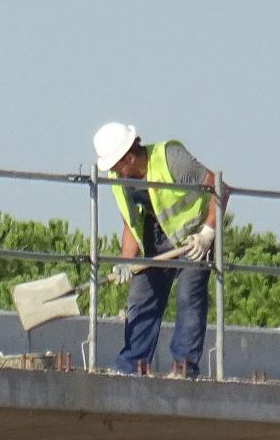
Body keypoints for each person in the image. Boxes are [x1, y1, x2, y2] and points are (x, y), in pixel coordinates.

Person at [93, 122, 223, 378]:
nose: (114, 172)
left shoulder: (171, 158)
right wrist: (125, 262)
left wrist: (208, 233)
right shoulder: (119, 180)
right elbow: (130, 225)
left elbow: (219, 188)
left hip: (194, 237)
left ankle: (184, 368)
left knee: (189, 297)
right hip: (157, 237)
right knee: (141, 299)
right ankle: (132, 366)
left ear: (128, 157)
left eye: (116, 165)